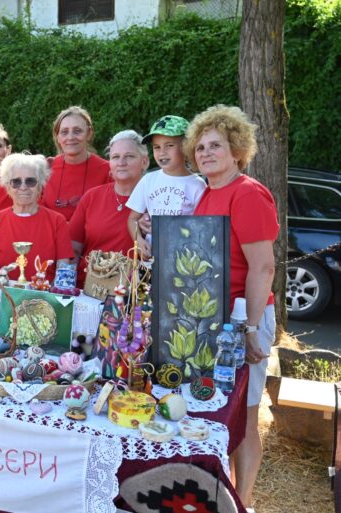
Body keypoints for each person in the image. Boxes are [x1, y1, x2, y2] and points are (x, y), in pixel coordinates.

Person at [187, 105, 278, 511]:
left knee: (244, 415)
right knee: (222, 412)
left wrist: (252, 327)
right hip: (211, 319)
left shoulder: (247, 193)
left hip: (244, 320)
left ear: (237, 150)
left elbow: (263, 266)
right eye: (201, 146)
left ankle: (244, 502)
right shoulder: (208, 192)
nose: (206, 152)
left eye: (216, 145)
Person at [70, 130, 149, 287]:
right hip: (88, 290)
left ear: (145, 162)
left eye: (129, 156)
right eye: (115, 157)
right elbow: (73, 250)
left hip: (135, 295)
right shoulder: (92, 197)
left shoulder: (157, 201)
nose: (121, 162)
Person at [126, 115, 206, 257]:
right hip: (151, 261)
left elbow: (202, 227)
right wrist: (138, 241)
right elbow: (132, 219)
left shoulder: (197, 185)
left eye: (169, 145)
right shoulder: (148, 180)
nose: (162, 152)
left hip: (183, 260)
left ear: (186, 147)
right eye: (157, 147)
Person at [0, 153, 73, 283]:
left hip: (43, 299)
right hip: (4, 298)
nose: (23, 187)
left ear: (40, 185)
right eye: (16, 182)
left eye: (30, 181)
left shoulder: (57, 221)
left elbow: (63, 272)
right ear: (7, 187)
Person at [40, 106, 111, 220]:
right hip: (51, 236)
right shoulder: (46, 168)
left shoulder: (107, 171)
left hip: (90, 238)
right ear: (57, 137)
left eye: (77, 131)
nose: (71, 137)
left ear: (89, 133)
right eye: (64, 132)